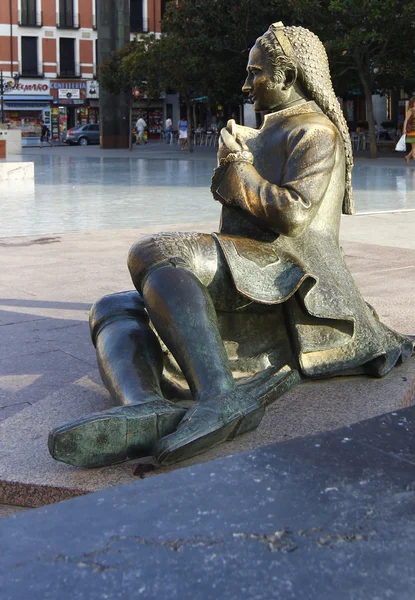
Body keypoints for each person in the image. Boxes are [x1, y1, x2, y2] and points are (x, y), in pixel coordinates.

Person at [49, 22, 413, 469]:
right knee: (112, 307)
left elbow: (295, 214)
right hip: (253, 265)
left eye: (255, 73)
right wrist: (240, 158)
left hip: (291, 270)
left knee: (156, 251)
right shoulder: (266, 131)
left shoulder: (316, 132)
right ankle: (143, 405)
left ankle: (219, 395)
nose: (246, 85)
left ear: (288, 76)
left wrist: (238, 169)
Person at [403, 97, 415, 165]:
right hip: (412, 131)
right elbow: (406, 120)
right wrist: (404, 129)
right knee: (413, 147)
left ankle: (408, 157)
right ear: (412, 103)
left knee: (414, 147)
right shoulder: (410, 110)